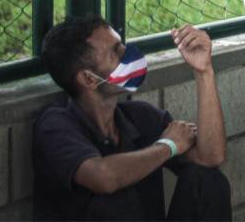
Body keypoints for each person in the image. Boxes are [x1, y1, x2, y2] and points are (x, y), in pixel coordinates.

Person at [33, 16, 231, 222]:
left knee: (208, 180)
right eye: (115, 51)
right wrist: (168, 145)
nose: (126, 54)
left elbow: (211, 157)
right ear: (88, 79)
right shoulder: (54, 127)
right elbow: (104, 178)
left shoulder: (140, 117)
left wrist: (203, 71)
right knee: (116, 202)